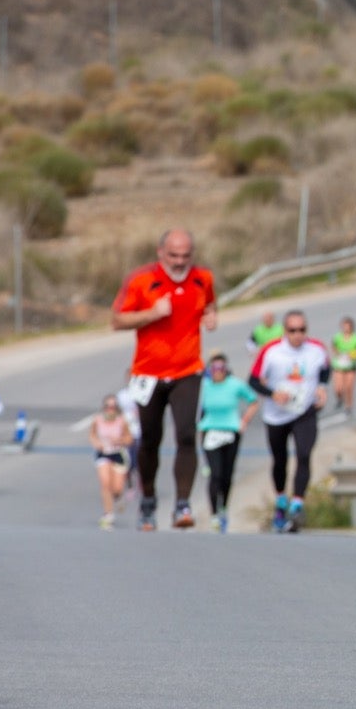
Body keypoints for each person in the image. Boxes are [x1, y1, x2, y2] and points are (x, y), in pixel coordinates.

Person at [111, 228, 218, 532]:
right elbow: (116, 320)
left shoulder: (203, 278)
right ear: (161, 253)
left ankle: (182, 504)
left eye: (185, 256)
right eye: (173, 255)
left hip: (188, 369)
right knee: (150, 440)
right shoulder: (141, 280)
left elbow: (209, 304)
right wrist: (151, 314)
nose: (179, 262)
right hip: (148, 372)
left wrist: (211, 316)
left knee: (186, 434)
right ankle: (148, 501)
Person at [248, 310, 330, 534]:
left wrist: (322, 387)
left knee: (304, 454)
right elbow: (253, 380)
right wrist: (272, 393)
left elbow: (325, 369)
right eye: (293, 330)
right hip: (277, 414)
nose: (298, 335)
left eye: (302, 330)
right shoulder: (272, 351)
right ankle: (281, 501)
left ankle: (297, 504)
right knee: (280, 459)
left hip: (305, 410)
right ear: (285, 331)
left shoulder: (316, 348)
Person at [198, 351, 259, 533]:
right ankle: (214, 514)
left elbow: (253, 401)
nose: (218, 371)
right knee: (215, 474)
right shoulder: (204, 386)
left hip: (231, 431)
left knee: (226, 475)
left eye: (221, 368)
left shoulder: (235, 385)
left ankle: (223, 507)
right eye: (214, 368)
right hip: (210, 431)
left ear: (226, 369)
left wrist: (244, 421)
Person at [89, 395, 134, 529]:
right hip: (103, 454)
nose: (110, 410)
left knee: (117, 488)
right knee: (105, 483)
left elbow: (129, 438)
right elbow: (92, 435)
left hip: (118, 454)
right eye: (108, 407)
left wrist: (119, 441)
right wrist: (97, 443)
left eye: (113, 407)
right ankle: (108, 514)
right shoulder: (97, 420)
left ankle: (118, 497)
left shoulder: (122, 421)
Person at [115, 367, 143, 500]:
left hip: (140, 431)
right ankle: (130, 486)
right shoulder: (122, 395)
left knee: (141, 461)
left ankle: (142, 485)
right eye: (130, 377)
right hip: (126, 433)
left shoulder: (143, 394)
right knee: (127, 463)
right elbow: (117, 413)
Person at [330, 317, 356, 414]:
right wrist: (339, 354)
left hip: (351, 366)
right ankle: (340, 399)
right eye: (344, 326)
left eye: (348, 327)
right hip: (339, 365)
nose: (346, 329)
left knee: (348, 387)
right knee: (338, 388)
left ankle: (349, 406)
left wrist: (352, 355)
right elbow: (334, 347)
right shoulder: (337, 337)